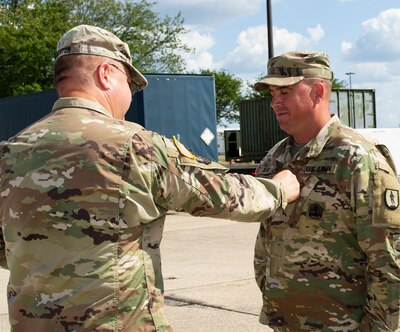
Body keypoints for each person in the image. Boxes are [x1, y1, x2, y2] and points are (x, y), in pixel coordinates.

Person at [0, 25, 300, 331]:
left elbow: (6, 250)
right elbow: (226, 196)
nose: (129, 96)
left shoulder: (10, 151)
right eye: (129, 83)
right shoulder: (133, 146)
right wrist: (279, 189)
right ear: (106, 73)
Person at [252, 51, 400, 331]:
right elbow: (265, 243)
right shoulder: (275, 158)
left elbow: (388, 259)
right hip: (285, 322)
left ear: (317, 91)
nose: (275, 103)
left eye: (284, 91)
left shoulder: (357, 159)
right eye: (272, 94)